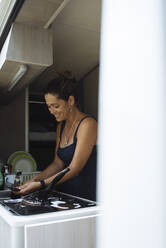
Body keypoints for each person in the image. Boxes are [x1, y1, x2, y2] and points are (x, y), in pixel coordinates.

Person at [17, 72, 97, 201]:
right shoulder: (61, 126)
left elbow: (74, 168)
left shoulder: (88, 124)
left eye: (56, 106)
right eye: (49, 107)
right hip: (67, 195)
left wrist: (40, 184)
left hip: (87, 196)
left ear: (70, 101)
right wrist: (34, 180)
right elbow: (57, 163)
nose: (51, 111)